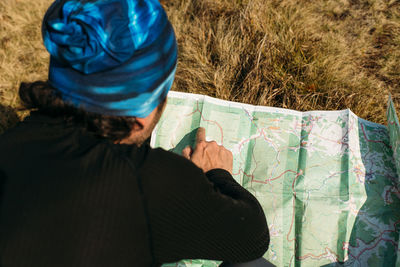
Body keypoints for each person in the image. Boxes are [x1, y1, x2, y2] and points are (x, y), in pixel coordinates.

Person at [0, 0, 270, 266]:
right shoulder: (149, 183)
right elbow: (253, 238)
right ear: (141, 112)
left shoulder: (10, 144)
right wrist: (216, 174)